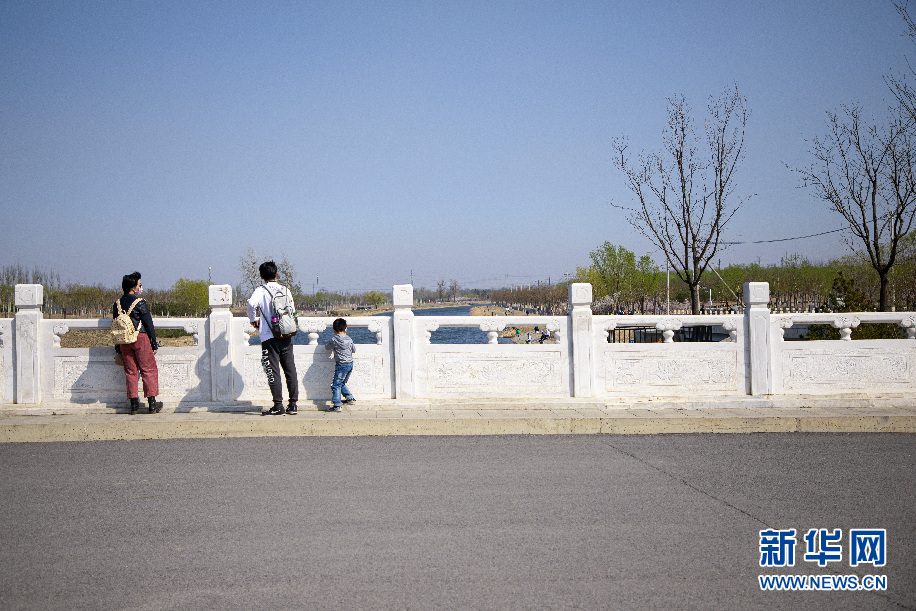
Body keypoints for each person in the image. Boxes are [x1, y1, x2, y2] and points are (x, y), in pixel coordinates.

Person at [247, 261, 299, 416]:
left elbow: (251, 303)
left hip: (269, 336)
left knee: (272, 370)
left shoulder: (260, 291)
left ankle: (278, 405)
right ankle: (293, 404)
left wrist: (253, 318)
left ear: (262, 276)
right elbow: (292, 310)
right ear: (276, 274)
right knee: (290, 369)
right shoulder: (285, 290)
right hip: (286, 334)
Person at [114, 272, 163, 415]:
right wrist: (154, 343)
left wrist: (118, 346)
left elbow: (117, 326)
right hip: (139, 338)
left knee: (130, 372)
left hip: (124, 341)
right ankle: (152, 404)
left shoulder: (116, 304)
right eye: (139, 285)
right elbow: (148, 324)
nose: (140, 288)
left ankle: (133, 405)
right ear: (134, 287)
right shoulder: (139, 302)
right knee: (148, 369)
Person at [325, 318, 356, 412]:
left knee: (336, 385)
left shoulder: (334, 339)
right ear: (346, 329)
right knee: (341, 383)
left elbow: (327, 347)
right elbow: (354, 350)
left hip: (341, 365)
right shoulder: (349, 339)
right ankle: (350, 398)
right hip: (350, 364)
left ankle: (337, 405)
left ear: (334, 330)